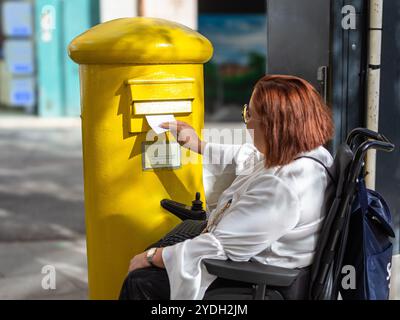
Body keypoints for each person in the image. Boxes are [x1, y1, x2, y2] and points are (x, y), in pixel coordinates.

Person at [119, 74, 335, 300]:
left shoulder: (282, 186)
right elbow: (249, 158)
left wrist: (152, 257)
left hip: (262, 283)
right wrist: (197, 144)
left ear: (272, 126)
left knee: (141, 280)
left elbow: (220, 246)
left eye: (249, 114)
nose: (246, 121)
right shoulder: (312, 155)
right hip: (268, 267)